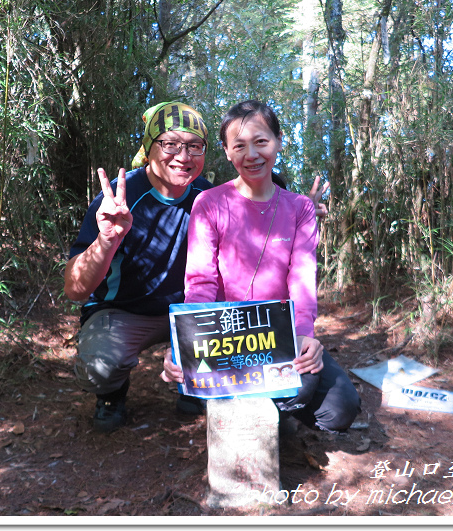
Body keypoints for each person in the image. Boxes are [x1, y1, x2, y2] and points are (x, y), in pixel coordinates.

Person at [65, 101, 332, 433]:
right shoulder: (119, 200)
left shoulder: (207, 196)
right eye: (170, 144)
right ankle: (111, 393)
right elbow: (74, 289)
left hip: (196, 311)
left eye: (194, 146)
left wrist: (300, 211)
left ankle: (193, 385)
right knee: (100, 365)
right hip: (127, 312)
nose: (183, 155)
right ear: (149, 148)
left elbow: (257, 204)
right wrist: (107, 239)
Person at [162, 100, 361, 434]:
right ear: (226, 152)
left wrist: (305, 336)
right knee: (295, 391)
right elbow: (200, 282)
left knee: (341, 408)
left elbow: (301, 279)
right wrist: (186, 343)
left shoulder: (299, 208)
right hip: (226, 337)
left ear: (278, 142)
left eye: (261, 142)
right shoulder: (209, 203)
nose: (251, 154)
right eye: (239, 146)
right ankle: (263, 418)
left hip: (279, 333)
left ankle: (268, 413)